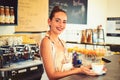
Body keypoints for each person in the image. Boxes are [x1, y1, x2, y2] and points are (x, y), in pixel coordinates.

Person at [40, 6, 97, 80]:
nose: (61, 25)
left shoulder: (62, 42)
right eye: (57, 21)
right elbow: (52, 75)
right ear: (49, 21)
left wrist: (90, 67)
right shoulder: (46, 42)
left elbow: (67, 69)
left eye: (64, 22)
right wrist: (78, 70)